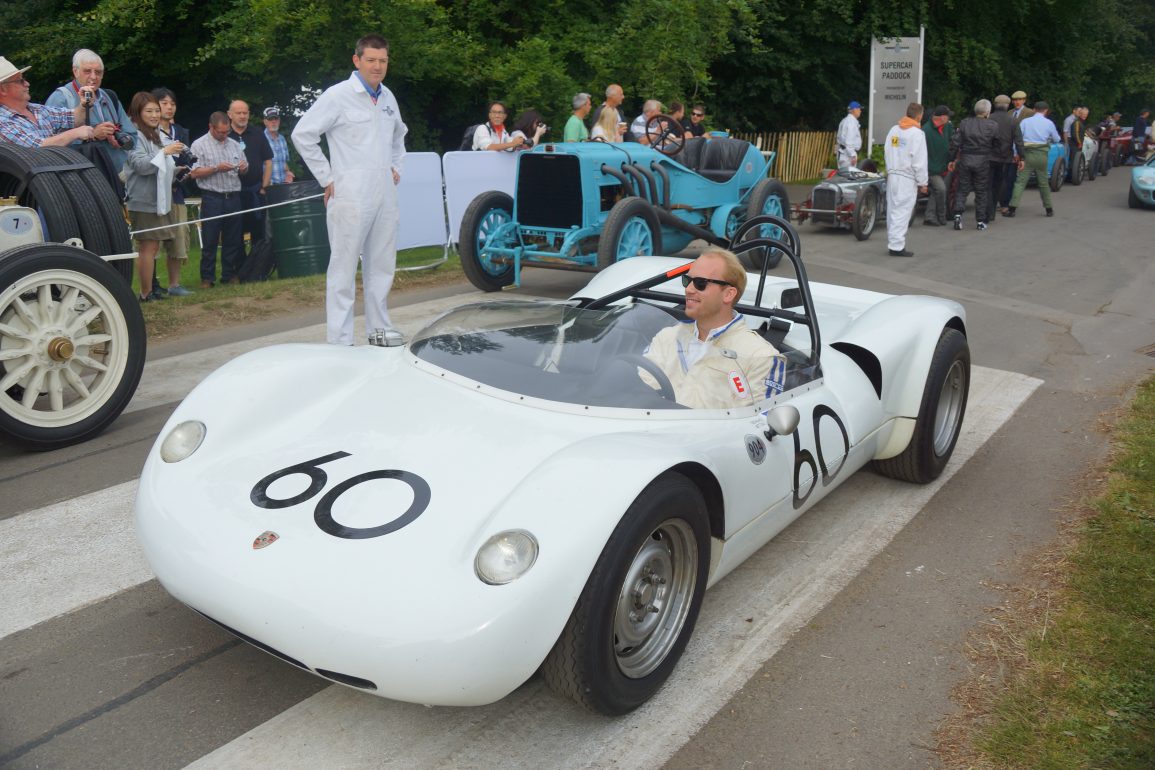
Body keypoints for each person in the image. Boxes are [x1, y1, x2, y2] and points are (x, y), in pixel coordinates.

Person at [292, 33, 407, 346]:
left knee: (382, 265)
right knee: (343, 268)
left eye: (382, 60)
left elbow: (399, 136)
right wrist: (327, 177)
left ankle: (379, 330)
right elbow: (303, 135)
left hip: (384, 192)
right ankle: (340, 340)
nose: (377, 66)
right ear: (357, 60)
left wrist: (396, 166)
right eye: (371, 59)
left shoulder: (387, 98)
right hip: (350, 193)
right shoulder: (338, 95)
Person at [642, 249, 784, 410]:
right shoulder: (667, 337)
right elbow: (638, 391)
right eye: (686, 280)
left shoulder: (761, 357)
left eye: (700, 283)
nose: (688, 289)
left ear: (728, 294)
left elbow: (755, 425)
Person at [122, 92, 187, 303]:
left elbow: (161, 167)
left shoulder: (155, 133)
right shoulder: (132, 135)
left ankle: (150, 290)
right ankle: (145, 293)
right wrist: (165, 152)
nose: (154, 115)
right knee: (147, 247)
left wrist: (176, 170)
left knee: (154, 247)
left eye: (156, 111)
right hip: (143, 200)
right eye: (148, 111)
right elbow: (141, 166)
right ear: (137, 113)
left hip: (160, 198)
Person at [44, 49, 136, 174]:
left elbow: (133, 135)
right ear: (75, 71)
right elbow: (49, 146)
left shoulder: (110, 97)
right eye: (87, 71)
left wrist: (120, 139)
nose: (93, 76)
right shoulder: (61, 98)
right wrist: (93, 135)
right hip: (83, 179)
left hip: (117, 176)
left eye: (98, 72)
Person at [188, 112, 247, 287]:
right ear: (211, 127)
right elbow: (194, 172)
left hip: (233, 196)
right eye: (221, 132)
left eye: (227, 131)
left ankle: (229, 275)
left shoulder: (235, 145)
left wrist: (243, 168)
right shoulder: (199, 145)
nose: (224, 135)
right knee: (210, 239)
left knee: (233, 239)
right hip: (212, 197)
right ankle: (207, 277)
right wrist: (216, 168)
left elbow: (245, 168)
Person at [0, 56, 109, 147]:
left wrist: (85, 104)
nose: (27, 83)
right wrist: (74, 133)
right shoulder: (2, 122)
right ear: (2, 89)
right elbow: (36, 150)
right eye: (20, 81)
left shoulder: (37, 109)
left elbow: (74, 118)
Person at [151, 87, 194, 297]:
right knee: (153, 239)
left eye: (172, 103)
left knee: (178, 237)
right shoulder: (147, 132)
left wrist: (186, 171)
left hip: (177, 191)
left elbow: (189, 159)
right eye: (164, 103)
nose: (169, 107)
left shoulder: (182, 132)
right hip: (154, 192)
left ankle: (174, 284)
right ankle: (151, 285)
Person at [883, 103, 929, 257]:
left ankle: (893, 242)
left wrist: (890, 169)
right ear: (919, 116)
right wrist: (923, 182)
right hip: (907, 177)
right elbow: (919, 161)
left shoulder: (894, 130)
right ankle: (896, 246)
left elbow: (887, 150)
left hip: (893, 175)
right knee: (902, 211)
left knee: (892, 209)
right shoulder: (917, 134)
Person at [948, 99, 1000, 231]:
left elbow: (955, 142)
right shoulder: (993, 125)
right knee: (981, 191)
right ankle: (980, 221)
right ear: (988, 112)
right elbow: (997, 144)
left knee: (962, 188)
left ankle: (958, 215)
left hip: (966, 158)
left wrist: (952, 159)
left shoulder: (965, 123)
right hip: (983, 160)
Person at [227, 100, 273, 245]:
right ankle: (239, 267)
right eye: (238, 113)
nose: (242, 116)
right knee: (235, 234)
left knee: (259, 235)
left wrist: (264, 187)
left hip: (256, 192)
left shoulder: (258, 133)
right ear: (230, 114)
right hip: (233, 194)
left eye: (245, 113)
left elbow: (268, 161)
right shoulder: (224, 135)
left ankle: (257, 266)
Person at [1007, 101, 1061, 217]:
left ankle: (1012, 209)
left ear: (1034, 109)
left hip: (1027, 155)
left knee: (1020, 182)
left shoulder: (1025, 122)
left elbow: (1018, 139)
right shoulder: (1049, 123)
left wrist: (1016, 153)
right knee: (1043, 183)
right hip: (1042, 156)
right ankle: (1049, 209)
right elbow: (1056, 139)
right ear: (1046, 110)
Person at [990, 94, 1022, 217]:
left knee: (990, 182)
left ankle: (990, 209)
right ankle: (1004, 206)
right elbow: (1018, 140)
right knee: (1003, 181)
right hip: (1005, 156)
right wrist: (1021, 156)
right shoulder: (1013, 120)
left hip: (989, 155)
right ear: (1007, 105)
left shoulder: (989, 118)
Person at [922, 105, 954, 226]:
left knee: (938, 191)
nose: (949, 119)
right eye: (948, 116)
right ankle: (941, 216)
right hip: (932, 168)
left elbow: (953, 140)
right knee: (941, 189)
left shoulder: (947, 126)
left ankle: (930, 216)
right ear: (942, 117)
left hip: (945, 165)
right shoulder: (925, 131)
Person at [263, 106, 294, 185]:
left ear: (279, 121)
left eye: (276, 119)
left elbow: (284, 162)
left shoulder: (282, 139)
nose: (274, 121)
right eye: (270, 119)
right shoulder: (260, 139)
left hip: (283, 185)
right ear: (265, 121)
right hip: (267, 187)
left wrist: (288, 173)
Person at [837, 101, 863, 170]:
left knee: (844, 176)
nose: (860, 111)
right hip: (847, 155)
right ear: (854, 110)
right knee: (848, 177)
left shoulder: (845, 120)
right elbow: (849, 141)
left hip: (843, 152)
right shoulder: (851, 122)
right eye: (859, 109)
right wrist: (853, 155)